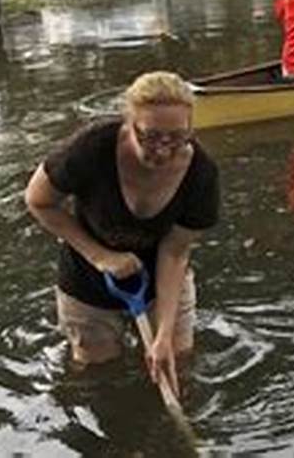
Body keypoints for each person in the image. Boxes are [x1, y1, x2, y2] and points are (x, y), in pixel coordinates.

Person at [24, 71, 219, 398]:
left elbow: (175, 253)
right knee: (97, 376)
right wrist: (101, 256)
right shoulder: (91, 147)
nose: (163, 151)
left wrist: (163, 336)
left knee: (177, 362)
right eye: (151, 137)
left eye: (177, 138)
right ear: (129, 124)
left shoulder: (202, 173)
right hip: (88, 275)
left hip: (161, 276)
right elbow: (38, 201)